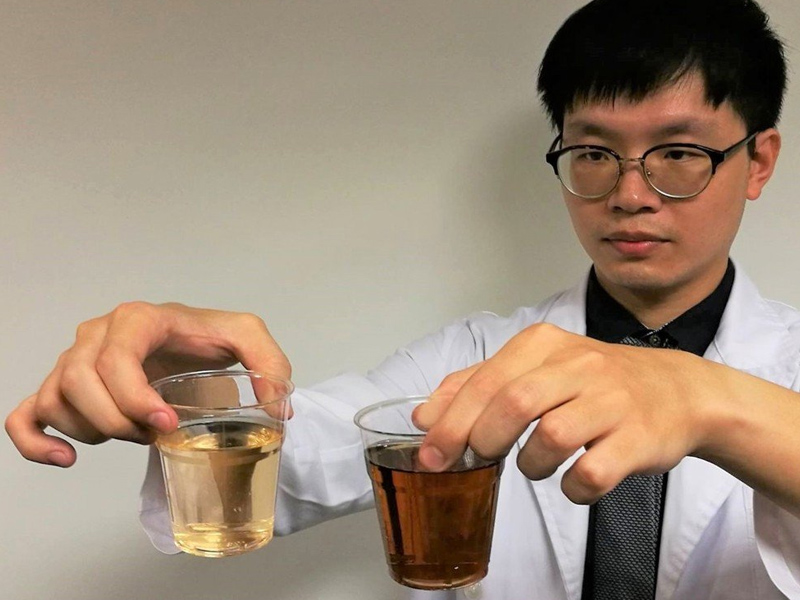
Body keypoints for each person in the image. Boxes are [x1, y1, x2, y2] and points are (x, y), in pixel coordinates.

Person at [6, 0, 800, 598]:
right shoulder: (475, 356)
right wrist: (192, 393)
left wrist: (704, 399)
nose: (630, 193)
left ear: (759, 161)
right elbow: (300, 456)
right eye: (593, 152)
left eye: (678, 153)